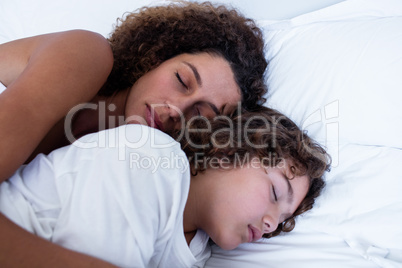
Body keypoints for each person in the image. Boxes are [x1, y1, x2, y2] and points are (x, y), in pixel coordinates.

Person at [0, 1, 267, 266]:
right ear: (155, 57)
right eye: (182, 81)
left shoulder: (143, 176)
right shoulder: (86, 56)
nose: (176, 110)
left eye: (200, 115)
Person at [0, 106, 330, 267]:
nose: (272, 223)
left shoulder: (197, 251)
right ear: (225, 149)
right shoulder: (151, 154)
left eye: (282, 219)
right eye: (274, 193)